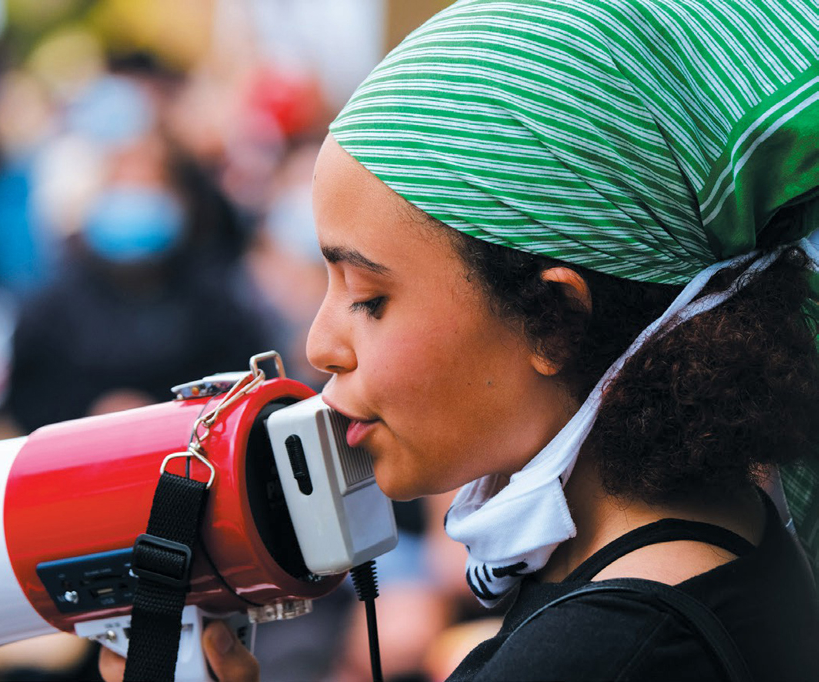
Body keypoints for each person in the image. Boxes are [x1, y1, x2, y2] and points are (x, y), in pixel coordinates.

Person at [101, 0, 819, 679]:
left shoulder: (608, 653)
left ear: (553, 318)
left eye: (369, 299)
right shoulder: (691, 558)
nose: (320, 344)